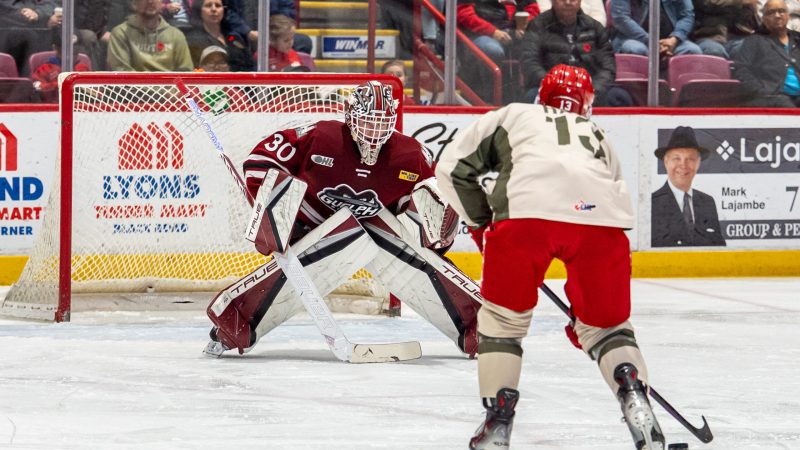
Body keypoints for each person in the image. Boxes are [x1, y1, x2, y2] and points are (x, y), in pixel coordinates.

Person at [435, 65, 665, 450]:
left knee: (503, 325)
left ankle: (497, 423)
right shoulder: (598, 135)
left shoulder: (515, 114)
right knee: (607, 328)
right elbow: (610, 201)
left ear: (540, 95)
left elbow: (452, 170)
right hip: (602, 227)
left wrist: (482, 222)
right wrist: (588, 318)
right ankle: (632, 391)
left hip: (526, 219)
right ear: (588, 105)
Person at [204, 80, 481, 360]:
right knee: (347, 234)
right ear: (350, 114)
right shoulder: (321, 136)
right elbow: (262, 161)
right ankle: (234, 324)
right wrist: (270, 210)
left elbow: (429, 204)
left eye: (382, 123)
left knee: (383, 241)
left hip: (365, 228)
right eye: (368, 122)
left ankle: (477, 325)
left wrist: (437, 225)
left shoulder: (410, 155)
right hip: (306, 227)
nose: (375, 132)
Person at [520, 0, 633, 106]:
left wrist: (591, 90)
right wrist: (558, 88)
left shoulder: (595, 27)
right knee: (532, 96)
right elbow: (530, 64)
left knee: (619, 96)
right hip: (552, 89)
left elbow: (608, 67)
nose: (568, 2)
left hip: (590, 91)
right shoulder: (537, 25)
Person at [651, 126, 726, 247]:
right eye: (676, 158)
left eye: (690, 158)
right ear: (666, 161)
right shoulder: (652, 203)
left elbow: (719, 246)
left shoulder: (707, 202)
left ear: (698, 163)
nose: (683, 165)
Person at [733, 0, 800, 107]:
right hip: (773, 97)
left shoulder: (797, 39)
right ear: (763, 18)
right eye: (771, 12)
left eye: (781, 11)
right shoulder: (754, 41)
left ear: (788, 15)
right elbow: (741, 70)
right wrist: (761, 91)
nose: (777, 15)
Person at [106, 0, 193, 71]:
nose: (150, 1)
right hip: (133, 91)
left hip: (170, 90)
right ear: (134, 4)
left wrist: (170, 91)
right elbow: (122, 72)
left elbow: (186, 70)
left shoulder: (176, 35)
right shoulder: (121, 33)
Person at [610, 0, 703, 57]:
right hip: (635, 39)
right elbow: (621, 19)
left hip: (671, 42)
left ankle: (674, 89)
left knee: (693, 50)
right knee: (635, 49)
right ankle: (639, 89)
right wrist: (650, 41)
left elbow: (687, 15)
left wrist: (674, 39)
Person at [184, 0, 254, 71]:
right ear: (199, 11)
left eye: (218, 5)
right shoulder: (193, 39)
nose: (214, 9)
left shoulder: (233, 37)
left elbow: (249, 64)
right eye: (208, 6)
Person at [692, 0, 759, 58]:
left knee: (750, 49)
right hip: (709, 37)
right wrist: (740, 1)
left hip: (738, 37)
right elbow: (708, 3)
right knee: (715, 51)